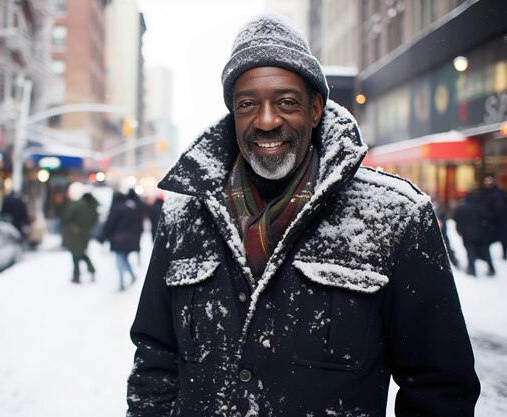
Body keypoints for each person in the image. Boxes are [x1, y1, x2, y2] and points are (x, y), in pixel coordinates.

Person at [126, 13, 479, 417]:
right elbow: (154, 365)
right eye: (248, 104)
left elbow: (439, 387)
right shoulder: (183, 215)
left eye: (286, 102)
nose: (267, 120)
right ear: (233, 115)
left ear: (314, 110)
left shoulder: (397, 216)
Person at [99, 192, 143, 291]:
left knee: (120, 260)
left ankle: (122, 283)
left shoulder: (115, 209)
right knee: (124, 258)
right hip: (130, 238)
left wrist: (103, 237)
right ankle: (131, 276)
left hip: (118, 239)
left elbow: (110, 224)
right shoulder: (130, 208)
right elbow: (137, 224)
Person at [61, 182, 99, 283]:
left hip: (76, 235)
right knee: (81, 253)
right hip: (85, 233)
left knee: (77, 254)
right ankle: (87, 272)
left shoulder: (76, 204)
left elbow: (66, 217)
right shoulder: (90, 204)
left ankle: (77, 275)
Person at [455, 189, 496, 277]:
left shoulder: (462, 208)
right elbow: (488, 219)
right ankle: (491, 269)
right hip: (481, 234)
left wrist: (459, 231)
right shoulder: (480, 206)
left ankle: (472, 270)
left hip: (467, 235)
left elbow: (458, 221)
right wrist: (487, 231)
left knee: (470, 253)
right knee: (485, 252)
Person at [481, 176, 507, 259]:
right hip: (495, 222)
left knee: (501, 239)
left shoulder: (496, 194)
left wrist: (488, 217)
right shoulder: (486, 193)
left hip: (498, 222)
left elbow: (499, 209)